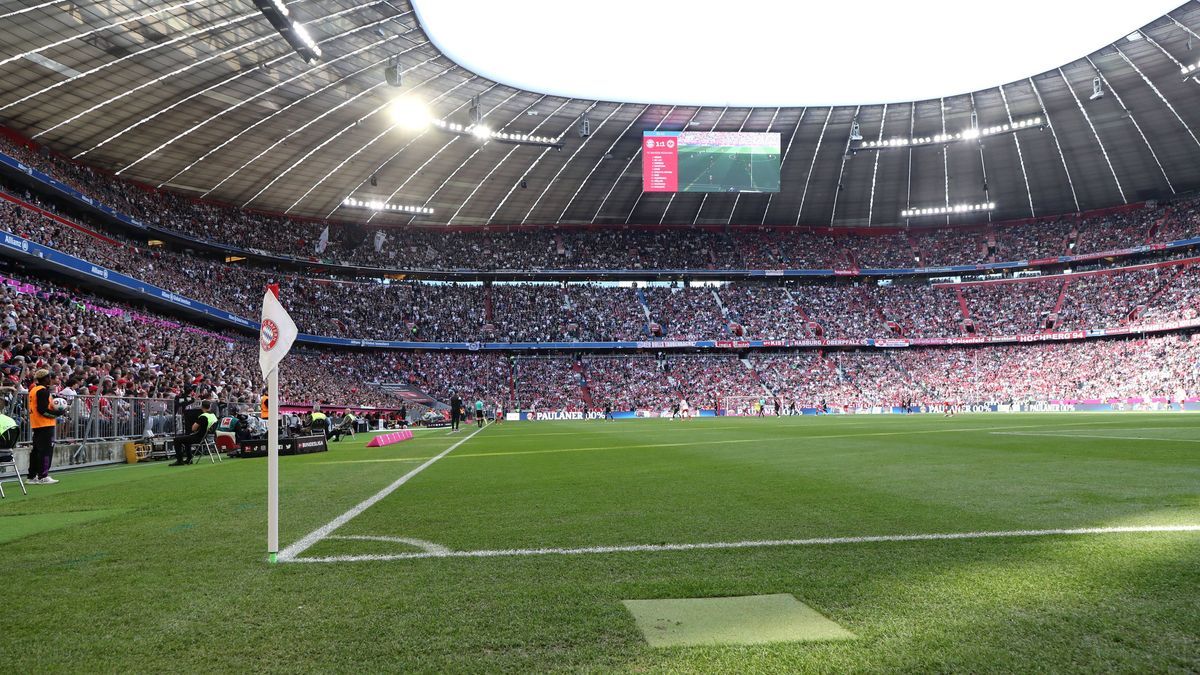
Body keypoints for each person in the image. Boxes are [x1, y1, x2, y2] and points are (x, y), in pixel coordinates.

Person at [27, 369, 65, 484]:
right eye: (49, 377)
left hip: (37, 424)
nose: (51, 379)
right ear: (45, 378)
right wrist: (57, 413)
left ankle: (31, 476)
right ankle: (43, 476)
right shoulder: (43, 391)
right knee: (46, 451)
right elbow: (42, 410)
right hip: (45, 424)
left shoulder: (34, 389)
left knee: (36, 451)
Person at [171, 400, 216, 466]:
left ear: (202, 407)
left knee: (176, 440)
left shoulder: (203, 416)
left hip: (199, 437)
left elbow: (193, 428)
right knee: (186, 439)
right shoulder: (213, 415)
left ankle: (179, 460)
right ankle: (189, 459)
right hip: (209, 437)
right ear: (210, 407)